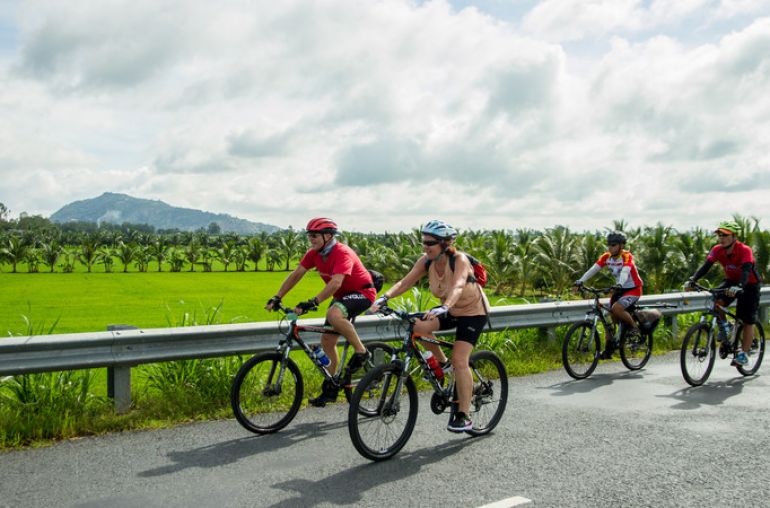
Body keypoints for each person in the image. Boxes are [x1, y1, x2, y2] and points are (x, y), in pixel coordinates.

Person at [370, 219, 489, 433]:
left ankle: (464, 414)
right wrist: (383, 298)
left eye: (430, 243)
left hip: (472, 312)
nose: (425, 246)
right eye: (423, 242)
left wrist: (445, 307)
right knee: (417, 327)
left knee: (460, 360)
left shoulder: (459, 259)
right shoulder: (426, 261)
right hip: (449, 309)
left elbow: (459, 285)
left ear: (445, 244)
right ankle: (443, 365)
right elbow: (405, 282)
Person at [265, 217, 376, 406]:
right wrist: (277, 296)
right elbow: (296, 274)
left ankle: (362, 352)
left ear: (328, 235)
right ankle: (331, 388)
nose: (311, 239)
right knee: (327, 340)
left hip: (362, 293)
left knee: (334, 314)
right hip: (341, 296)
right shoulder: (314, 253)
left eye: (315, 235)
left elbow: (336, 282)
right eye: (309, 236)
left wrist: (313, 302)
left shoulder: (342, 252)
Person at [685, 220, 762, 366]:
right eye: (719, 235)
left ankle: (743, 354)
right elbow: (706, 266)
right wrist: (693, 279)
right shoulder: (717, 249)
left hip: (749, 284)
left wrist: (740, 286)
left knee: (747, 319)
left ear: (734, 236)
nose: (721, 238)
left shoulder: (745, 250)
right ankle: (725, 327)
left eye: (725, 235)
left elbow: (746, 270)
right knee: (717, 303)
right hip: (731, 281)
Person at [574, 231, 644, 359]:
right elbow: (594, 268)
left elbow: (625, 271)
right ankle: (609, 349)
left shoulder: (626, 256)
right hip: (619, 289)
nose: (610, 248)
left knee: (616, 308)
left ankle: (634, 329)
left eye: (613, 245)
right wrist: (581, 281)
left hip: (633, 289)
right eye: (609, 245)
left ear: (621, 245)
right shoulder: (607, 257)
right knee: (610, 320)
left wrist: (620, 284)